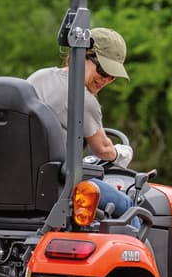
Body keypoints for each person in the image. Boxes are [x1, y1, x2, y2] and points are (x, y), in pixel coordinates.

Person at [27, 26, 137, 224]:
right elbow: (103, 150)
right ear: (82, 55)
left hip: (22, 181)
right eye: (103, 70)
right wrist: (121, 154)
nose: (106, 80)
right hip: (57, 185)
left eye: (112, 76)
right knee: (130, 207)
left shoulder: (38, 77)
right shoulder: (83, 99)